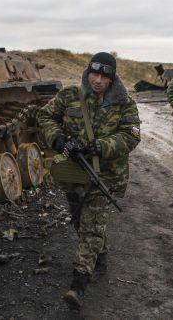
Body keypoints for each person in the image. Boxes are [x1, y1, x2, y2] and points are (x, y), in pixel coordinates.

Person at [37, 52, 141, 310]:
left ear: (112, 79)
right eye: (94, 74)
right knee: (80, 221)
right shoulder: (70, 96)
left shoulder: (125, 103)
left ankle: (79, 283)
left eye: (104, 76)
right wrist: (59, 139)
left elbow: (132, 135)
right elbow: (43, 117)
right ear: (87, 73)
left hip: (104, 175)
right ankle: (100, 256)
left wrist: (103, 145)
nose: (98, 80)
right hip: (73, 173)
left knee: (93, 225)